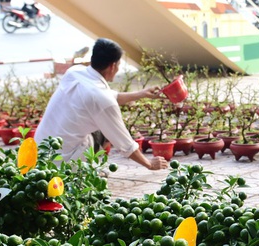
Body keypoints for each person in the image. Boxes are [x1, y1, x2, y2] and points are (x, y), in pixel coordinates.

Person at [35, 38, 167, 170]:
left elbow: (109, 97)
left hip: (40, 152)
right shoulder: (102, 100)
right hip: (61, 162)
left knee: (102, 120)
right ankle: (85, 170)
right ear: (112, 66)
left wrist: (142, 94)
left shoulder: (74, 72)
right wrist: (150, 164)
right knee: (108, 128)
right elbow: (125, 144)